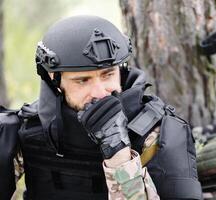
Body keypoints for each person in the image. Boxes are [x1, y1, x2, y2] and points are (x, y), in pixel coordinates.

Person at [0, 15, 202, 200]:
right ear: (55, 80)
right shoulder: (31, 130)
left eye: (107, 75)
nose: (100, 92)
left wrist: (120, 155)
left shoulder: (159, 134)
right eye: (83, 80)